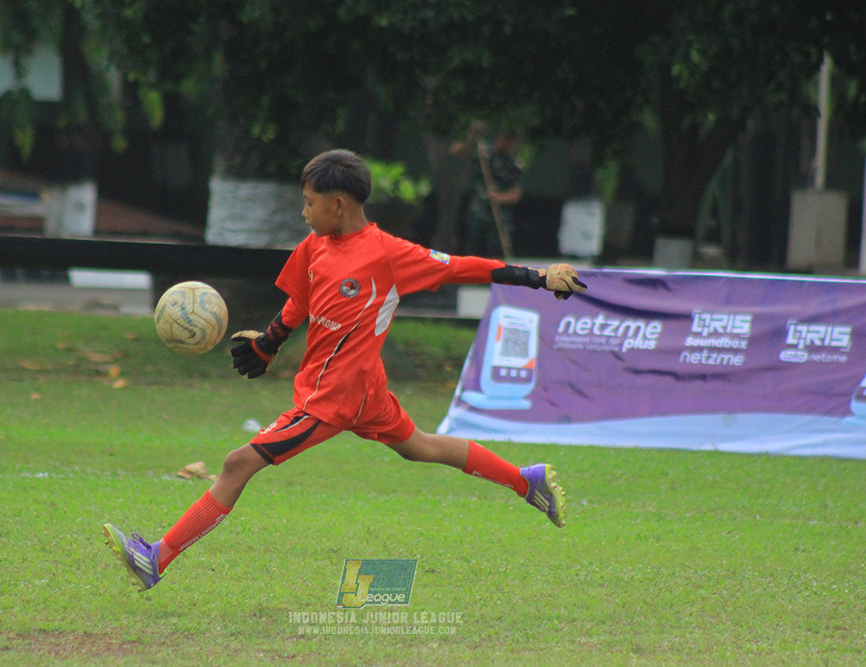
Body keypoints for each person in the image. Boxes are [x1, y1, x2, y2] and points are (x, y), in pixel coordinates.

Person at [103, 149, 587, 592]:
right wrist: (270, 342)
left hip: (335, 397)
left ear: (338, 204)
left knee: (236, 463)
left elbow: (462, 267)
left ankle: (156, 560)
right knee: (420, 446)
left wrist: (538, 277)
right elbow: (301, 299)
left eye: (309, 202)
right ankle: (528, 482)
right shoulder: (316, 245)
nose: (304, 211)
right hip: (360, 390)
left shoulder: (388, 254)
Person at [451, 125, 524, 258]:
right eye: (505, 139)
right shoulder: (484, 154)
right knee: (473, 245)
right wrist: (471, 135)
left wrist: (499, 197)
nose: (507, 144)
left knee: (497, 249)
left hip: (499, 213)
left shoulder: (514, 165)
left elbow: (516, 194)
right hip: (478, 208)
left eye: (511, 141)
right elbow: (457, 151)